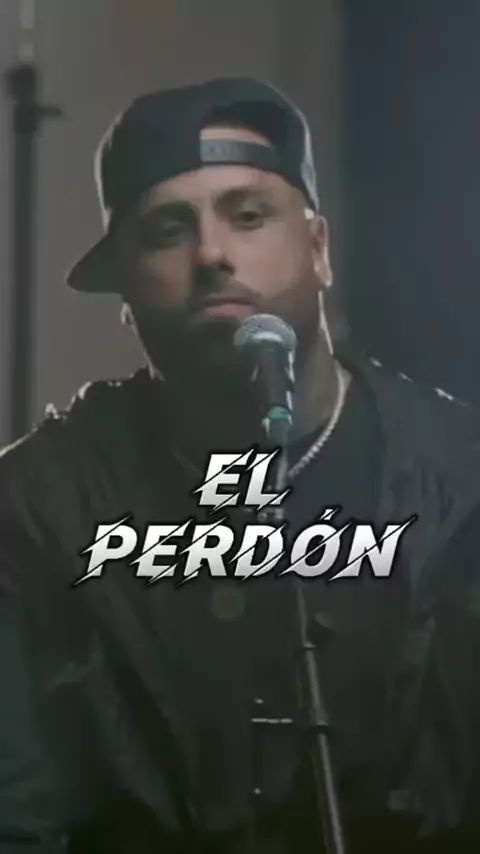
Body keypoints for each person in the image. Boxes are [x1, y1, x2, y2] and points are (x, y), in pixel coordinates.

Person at [1, 77, 480, 854]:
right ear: (125, 288)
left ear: (319, 249)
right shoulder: (38, 507)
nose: (212, 253)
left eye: (248, 215)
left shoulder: (461, 478)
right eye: (167, 230)